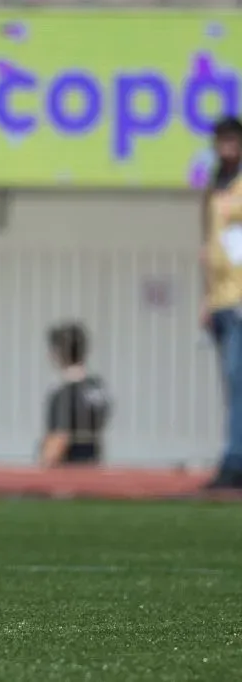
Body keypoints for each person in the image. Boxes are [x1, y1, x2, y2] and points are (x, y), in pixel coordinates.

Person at [202, 117, 242, 489]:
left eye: (232, 139)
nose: (226, 145)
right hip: (223, 298)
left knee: (238, 378)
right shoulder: (217, 184)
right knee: (233, 382)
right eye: (221, 139)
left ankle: (235, 461)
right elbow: (210, 244)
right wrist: (207, 298)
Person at [38, 322, 110, 467]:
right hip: (93, 467)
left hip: (68, 475)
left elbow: (59, 439)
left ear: (58, 353)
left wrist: (42, 467)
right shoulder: (97, 387)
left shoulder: (65, 394)